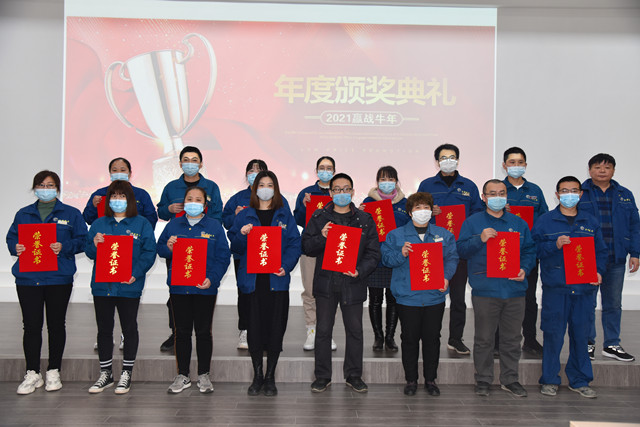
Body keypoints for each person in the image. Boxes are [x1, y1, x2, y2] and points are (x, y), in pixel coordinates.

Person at [6, 170, 87, 395]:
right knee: (31, 326)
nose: (45, 188)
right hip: (28, 278)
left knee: (56, 324)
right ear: (34, 188)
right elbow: (12, 237)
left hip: (58, 278)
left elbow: (83, 240)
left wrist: (65, 247)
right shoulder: (24, 213)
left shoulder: (71, 213)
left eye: (50, 185)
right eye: (41, 185)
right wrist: (15, 247)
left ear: (57, 188)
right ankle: (32, 372)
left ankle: (53, 370)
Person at [302, 173, 381, 393]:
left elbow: (374, 253)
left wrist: (360, 270)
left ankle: (354, 375)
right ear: (330, 193)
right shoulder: (319, 217)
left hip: (353, 283)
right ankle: (322, 376)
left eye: (346, 189)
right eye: (337, 189)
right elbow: (307, 247)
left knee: (355, 331)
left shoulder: (364, 219)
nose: (342, 193)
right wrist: (322, 237)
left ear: (353, 192)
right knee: (323, 331)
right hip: (326, 283)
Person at [457, 179, 536, 397]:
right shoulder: (472, 222)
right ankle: (483, 379)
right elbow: (461, 250)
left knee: (512, 339)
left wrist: (524, 268)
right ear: (484, 197)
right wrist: (479, 239)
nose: (497, 197)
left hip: (514, 290)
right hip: (485, 290)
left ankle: (510, 379)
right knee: (484, 339)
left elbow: (529, 250)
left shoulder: (518, 223)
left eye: (501, 193)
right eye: (492, 194)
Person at [532, 176, 607, 399]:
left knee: (581, 336)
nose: (569, 195)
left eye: (574, 190)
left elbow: (601, 251)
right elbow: (533, 250)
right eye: (564, 191)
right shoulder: (546, 221)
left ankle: (580, 380)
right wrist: (554, 245)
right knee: (553, 335)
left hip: (584, 289)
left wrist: (599, 271)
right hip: (556, 288)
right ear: (557, 195)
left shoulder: (590, 221)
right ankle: (549, 380)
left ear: (581, 194)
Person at [228, 171, 301, 396]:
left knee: (276, 329)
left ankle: (270, 376)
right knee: (254, 329)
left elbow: (294, 244)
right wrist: (242, 234)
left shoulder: (284, 214)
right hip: (252, 282)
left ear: (276, 189)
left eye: (270, 185)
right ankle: (257, 375)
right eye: (261, 185)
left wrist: (286, 266)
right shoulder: (245, 215)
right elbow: (235, 247)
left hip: (276, 280)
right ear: (255, 189)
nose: (265, 189)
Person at [381, 192, 458, 396]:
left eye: (426, 208)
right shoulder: (396, 235)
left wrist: (446, 277)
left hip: (434, 296)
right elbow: (386, 259)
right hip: (408, 297)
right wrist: (401, 253)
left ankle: (431, 380)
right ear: (410, 212)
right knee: (409, 339)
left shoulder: (444, 234)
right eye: (417, 208)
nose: (422, 211)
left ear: (432, 211)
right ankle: (411, 380)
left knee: (432, 339)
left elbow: (452, 258)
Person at [85, 180, 157, 394]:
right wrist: (95, 244)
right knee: (104, 329)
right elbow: (89, 252)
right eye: (114, 196)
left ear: (130, 199)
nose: (117, 200)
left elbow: (149, 252)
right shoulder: (99, 223)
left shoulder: (141, 223)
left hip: (128, 286)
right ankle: (105, 373)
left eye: (122, 196)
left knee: (129, 327)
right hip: (103, 286)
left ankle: (127, 372)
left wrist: (136, 274)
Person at [158, 187, 231, 394]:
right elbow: (160, 248)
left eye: (198, 199)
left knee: (203, 332)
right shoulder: (173, 224)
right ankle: (182, 374)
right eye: (189, 198)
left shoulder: (214, 226)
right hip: (179, 288)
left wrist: (212, 279)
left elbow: (223, 257)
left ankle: (204, 374)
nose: (193, 202)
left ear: (205, 205)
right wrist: (168, 247)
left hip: (204, 289)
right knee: (181, 332)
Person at [417, 144, 483, 355]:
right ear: (437, 161)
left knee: (458, 298)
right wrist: (430, 211)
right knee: (429, 296)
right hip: (432, 248)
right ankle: (429, 337)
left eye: (452, 157)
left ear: (458, 160)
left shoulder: (469, 186)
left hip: (460, 249)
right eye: (444, 157)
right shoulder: (427, 185)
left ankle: (455, 338)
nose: (448, 160)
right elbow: (416, 212)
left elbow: (478, 214)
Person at [157, 146, 223, 353]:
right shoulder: (171, 187)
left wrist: (203, 223)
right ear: (180, 163)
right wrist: (168, 209)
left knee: (201, 297)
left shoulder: (211, 187)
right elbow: (160, 211)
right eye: (186, 159)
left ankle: (200, 334)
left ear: (201, 164)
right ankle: (175, 332)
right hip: (178, 247)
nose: (190, 163)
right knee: (177, 295)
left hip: (204, 248)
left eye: (194, 160)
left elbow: (218, 214)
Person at [222, 159, 289, 350]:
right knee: (246, 294)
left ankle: (267, 335)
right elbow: (227, 223)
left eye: (259, 171)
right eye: (251, 171)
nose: (255, 174)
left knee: (268, 297)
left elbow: (290, 234)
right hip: (246, 259)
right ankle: (245, 328)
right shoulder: (238, 199)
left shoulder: (281, 202)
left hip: (272, 260)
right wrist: (236, 218)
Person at [579, 153, 639, 362]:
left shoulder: (624, 194)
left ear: (613, 170)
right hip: (588, 258)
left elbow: (635, 225)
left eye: (607, 167)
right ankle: (587, 343)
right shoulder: (580, 193)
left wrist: (635, 253)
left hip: (616, 257)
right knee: (587, 302)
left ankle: (612, 344)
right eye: (597, 167)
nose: (602, 171)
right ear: (590, 170)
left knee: (613, 303)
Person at [499, 147, 548, 356]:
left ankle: (530, 339)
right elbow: (484, 216)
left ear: (525, 165)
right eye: (512, 162)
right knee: (499, 297)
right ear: (504, 165)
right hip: (502, 252)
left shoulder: (535, 190)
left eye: (520, 162)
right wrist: (500, 210)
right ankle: (497, 341)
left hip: (528, 252)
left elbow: (544, 219)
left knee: (529, 298)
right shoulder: (498, 189)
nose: (516, 166)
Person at [360, 166, 410, 351]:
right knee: (375, 299)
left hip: (396, 258)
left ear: (396, 181)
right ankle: (378, 336)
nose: (386, 182)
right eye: (383, 179)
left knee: (392, 299)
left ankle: (390, 337)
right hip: (373, 257)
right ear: (377, 182)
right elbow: (359, 228)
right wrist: (359, 213)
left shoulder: (405, 203)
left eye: (390, 179)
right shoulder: (368, 202)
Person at [294, 156, 338, 351]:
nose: (325, 171)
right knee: (310, 290)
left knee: (329, 292)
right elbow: (298, 219)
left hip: (333, 249)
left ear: (334, 171)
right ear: (316, 170)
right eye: (322, 167)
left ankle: (326, 332)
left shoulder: (339, 192)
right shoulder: (307, 193)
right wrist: (304, 206)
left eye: (329, 168)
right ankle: (311, 330)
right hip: (311, 246)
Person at [82, 157, 158, 229]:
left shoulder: (141, 194)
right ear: (110, 173)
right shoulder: (100, 193)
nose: (118, 173)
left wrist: (139, 232)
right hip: (106, 236)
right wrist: (93, 207)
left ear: (130, 173)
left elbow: (151, 219)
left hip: (134, 236)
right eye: (114, 170)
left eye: (123, 170)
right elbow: (88, 219)